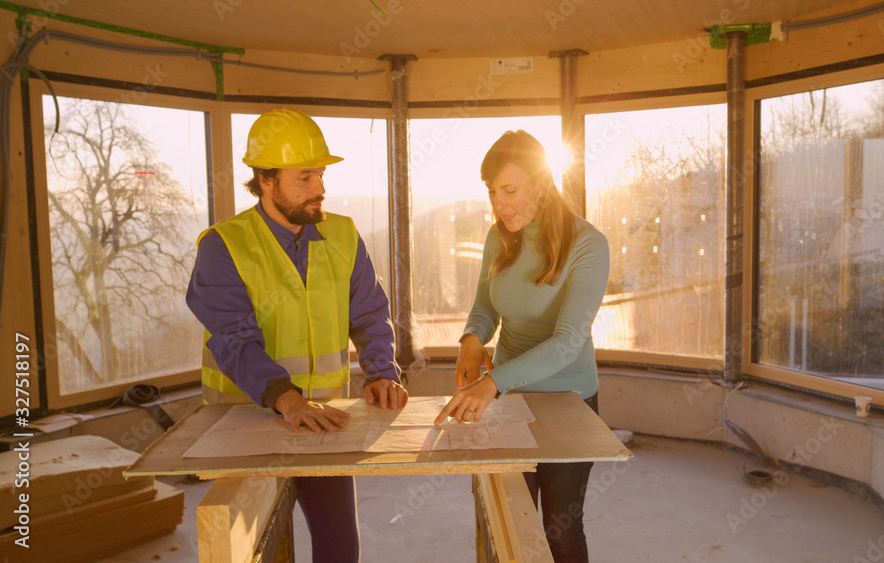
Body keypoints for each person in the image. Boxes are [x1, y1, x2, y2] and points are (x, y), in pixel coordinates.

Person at [186, 108, 407, 563]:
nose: (320, 189)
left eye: (321, 175)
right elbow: (234, 338)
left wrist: (381, 371)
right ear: (266, 179)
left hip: (324, 423)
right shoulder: (222, 246)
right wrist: (287, 400)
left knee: (340, 549)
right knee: (257, 548)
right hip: (246, 425)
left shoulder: (342, 235)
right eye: (305, 177)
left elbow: (368, 312)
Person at [434, 130, 610, 562]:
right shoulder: (501, 236)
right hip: (508, 396)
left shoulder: (588, 244)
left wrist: (491, 383)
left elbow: (568, 342)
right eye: (492, 191)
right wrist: (472, 341)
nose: (499, 203)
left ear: (543, 182)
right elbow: (484, 307)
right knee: (506, 520)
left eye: (509, 190)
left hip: (568, 401)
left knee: (559, 531)